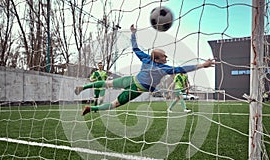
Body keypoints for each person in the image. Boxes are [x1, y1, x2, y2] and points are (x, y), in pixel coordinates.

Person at [75, 24, 215, 116]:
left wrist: (133, 34)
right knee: (114, 104)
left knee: (107, 84)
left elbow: (135, 48)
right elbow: (181, 68)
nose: (166, 58)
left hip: (130, 79)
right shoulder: (163, 68)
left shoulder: (146, 58)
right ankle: (91, 108)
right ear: (158, 59)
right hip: (136, 89)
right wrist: (202, 65)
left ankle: (83, 88)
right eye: (164, 56)